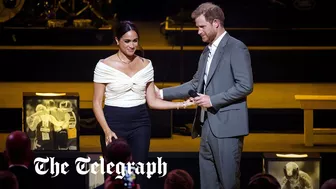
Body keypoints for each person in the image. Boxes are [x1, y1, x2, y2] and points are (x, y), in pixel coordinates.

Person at [156, 2, 253, 189]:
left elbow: (246, 85)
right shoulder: (207, 51)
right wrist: (160, 93)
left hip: (227, 128)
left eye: (202, 26)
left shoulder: (236, 48)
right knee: (208, 183)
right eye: (197, 27)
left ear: (216, 23)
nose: (198, 31)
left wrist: (212, 100)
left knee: (228, 183)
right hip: (206, 126)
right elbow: (195, 83)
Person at [92, 21, 194, 188]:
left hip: (141, 123)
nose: (132, 45)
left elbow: (152, 101)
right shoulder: (104, 65)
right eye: (127, 41)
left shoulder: (146, 64)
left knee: (138, 174)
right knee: (116, 176)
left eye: (135, 41)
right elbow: (96, 103)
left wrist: (181, 104)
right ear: (117, 40)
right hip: (113, 123)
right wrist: (106, 130)